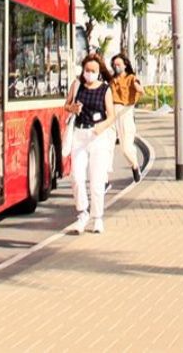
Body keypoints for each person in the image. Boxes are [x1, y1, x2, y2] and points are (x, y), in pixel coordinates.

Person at [63, 52, 120, 235]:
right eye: (87, 70)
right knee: (77, 177)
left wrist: (101, 127)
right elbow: (66, 105)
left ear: (99, 71)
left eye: (93, 70)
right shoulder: (77, 85)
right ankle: (82, 213)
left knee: (96, 180)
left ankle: (97, 218)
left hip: (97, 136)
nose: (89, 73)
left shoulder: (105, 89)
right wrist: (73, 108)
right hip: (79, 134)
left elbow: (111, 115)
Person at [109, 52, 146, 182]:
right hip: (111, 113)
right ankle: (104, 178)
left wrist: (138, 88)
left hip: (125, 112)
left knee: (125, 148)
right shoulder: (112, 80)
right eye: (114, 65)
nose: (116, 66)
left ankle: (135, 165)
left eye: (118, 64)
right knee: (107, 146)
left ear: (125, 65)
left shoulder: (131, 78)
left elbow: (139, 89)